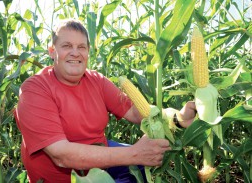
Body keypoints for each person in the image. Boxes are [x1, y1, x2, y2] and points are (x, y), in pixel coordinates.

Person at [15, 18, 197, 183]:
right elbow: (61, 156)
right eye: (67, 46)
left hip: (98, 160)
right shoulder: (34, 90)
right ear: (52, 51)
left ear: (88, 52)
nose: (75, 53)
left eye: (81, 47)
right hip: (62, 177)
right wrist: (135, 154)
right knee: (136, 161)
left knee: (140, 169)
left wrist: (177, 117)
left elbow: (135, 112)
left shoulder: (96, 80)